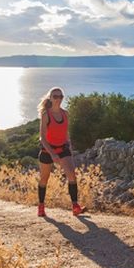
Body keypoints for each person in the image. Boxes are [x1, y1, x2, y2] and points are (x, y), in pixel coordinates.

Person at [36, 87, 85, 217]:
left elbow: (66, 132)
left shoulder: (65, 113)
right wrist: (52, 153)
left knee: (72, 176)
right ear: (50, 98)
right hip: (48, 150)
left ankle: (75, 206)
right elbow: (42, 137)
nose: (58, 99)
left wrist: (69, 146)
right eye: (55, 96)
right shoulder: (46, 114)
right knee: (44, 179)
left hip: (63, 148)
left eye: (60, 97)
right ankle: (41, 206)